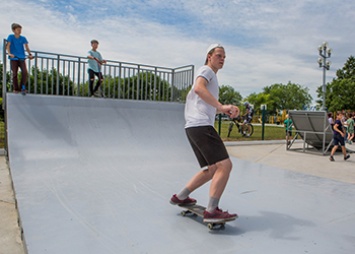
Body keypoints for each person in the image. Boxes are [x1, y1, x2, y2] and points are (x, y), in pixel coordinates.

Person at [170, 44, 239, 223]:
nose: (222, 59)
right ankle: (212, 210)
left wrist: (224, 110)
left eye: (224, 57)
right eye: (219, 55)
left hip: (193, 126)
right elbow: (199, 89)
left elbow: (203, 102)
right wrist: (221, 106)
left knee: (212, 169)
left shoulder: (211, 76)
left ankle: (181, 196)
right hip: (201, 126)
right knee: (225, 166)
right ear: (209, 56)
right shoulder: (207, 71)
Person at [6, 23, 34, 93]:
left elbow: (26, 47)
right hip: (14, 58)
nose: (19, 31)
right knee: (14, 73)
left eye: (20, 30)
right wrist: (9, 53)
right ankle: (16, 88)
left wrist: (30, 54)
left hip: (21, 57)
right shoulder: (11, 37)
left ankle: (23, 87)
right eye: (18, 30)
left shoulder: (23, 38)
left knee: (25, 72)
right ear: (13, 30)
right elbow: (8, 46)